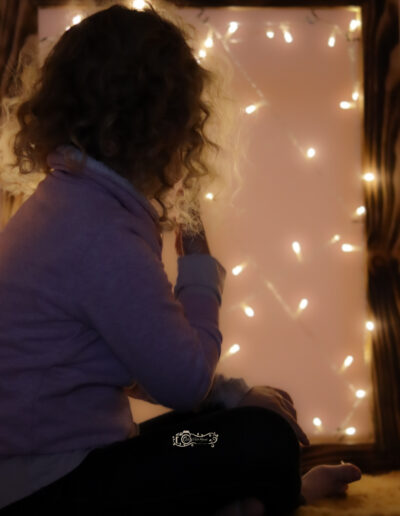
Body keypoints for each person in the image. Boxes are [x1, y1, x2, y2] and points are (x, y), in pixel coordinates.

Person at [0, 3, 362, 515]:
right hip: (56, 486)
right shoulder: (100, 230)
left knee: (211, 429)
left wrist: (233, 396)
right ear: (161, 131)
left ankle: (244, 497)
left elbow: (143, 364)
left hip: (76, 467)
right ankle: (275, 494)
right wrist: (198, 264)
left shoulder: (70, 203)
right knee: (261, 436)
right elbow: (185, 384)